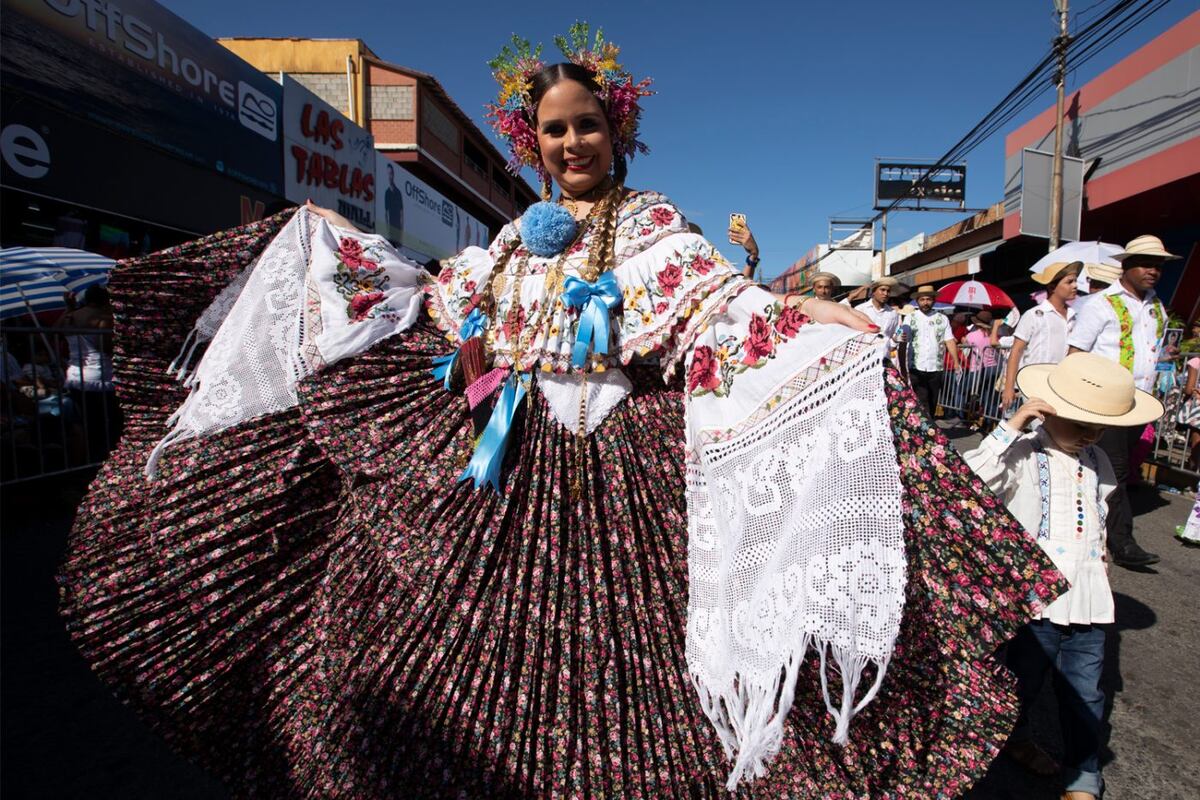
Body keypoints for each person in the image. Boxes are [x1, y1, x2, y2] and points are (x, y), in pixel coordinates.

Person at [58, 25, 1065, 798]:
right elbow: (432, 302)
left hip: (621, 468)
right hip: (504, 463)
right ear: (532, 143)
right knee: (461, 646)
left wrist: (810, 311)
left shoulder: (656, 228)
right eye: (555, 129)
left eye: (588, 124)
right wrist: (337, 238)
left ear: (616, 130)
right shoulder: (504, 247)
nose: (573, 141)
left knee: (635, 666)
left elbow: (720, 313)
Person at [965, 352, 1162, 800]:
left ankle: (1083, 773)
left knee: (1086, 694)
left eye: (1098, 427)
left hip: (1090, 596)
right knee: (1019, 683)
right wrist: (1011, 426)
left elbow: (1101, 506)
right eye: (1079, 423)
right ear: (1050, 409)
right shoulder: (1021, 451)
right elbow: (971, 484)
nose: (1090, 435)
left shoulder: (1097, 460)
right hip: (1033, 601)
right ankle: (1009, 742)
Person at [1068, 234, 1181, 568]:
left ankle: (1085, 522)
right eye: (1147, 264)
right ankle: (1122, 542)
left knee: (1109, 468)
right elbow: (1076, 352)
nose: (1153, 271)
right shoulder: (1100, 304)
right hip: (1104, 400)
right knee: (1115, 469)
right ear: (1127, 266)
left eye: (1159, 266)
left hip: (1140, 402)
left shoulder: (1156, 306)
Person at [1001, 262, 1081, 409]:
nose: (1075, 285)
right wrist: (1009, 387)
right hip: (1035, 384)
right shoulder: (1033, 315)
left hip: (1062, 385)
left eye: (1075, 281)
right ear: (1052, 287)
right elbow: (1016, 351)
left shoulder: (1074, 317)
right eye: (1069, 282)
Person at [896, 285, 960, 417]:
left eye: (928, 299)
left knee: (932, 399)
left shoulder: (942, 319)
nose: (925, 302)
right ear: (918, 301)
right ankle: (924, 429)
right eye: (922, 299)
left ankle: (930, 427)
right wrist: (902, 364)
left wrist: (956, 361)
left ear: (934, 300)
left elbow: (949, 340)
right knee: (921, 398)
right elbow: (902, 339)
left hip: (935, 366)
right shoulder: (910, 317)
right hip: (916, 365)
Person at [853, 276, 900, 341]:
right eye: (882, 290)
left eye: (888, 291)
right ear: (873, 292)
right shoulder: (860, 309)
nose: (885, 294)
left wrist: (892, 344)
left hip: (884, 350)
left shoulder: (893, 313)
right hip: (864, 349)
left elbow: (895, 334)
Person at [383, 161, 405, 247]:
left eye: (391, 173)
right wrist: (387, 230)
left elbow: (401, 214)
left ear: (393, 175)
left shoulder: (398, 192)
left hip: (398, 231)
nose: (390, 176)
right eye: (388, 174)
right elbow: (386, 213)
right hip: (390, 232)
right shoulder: (387, 193)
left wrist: (402, 233)